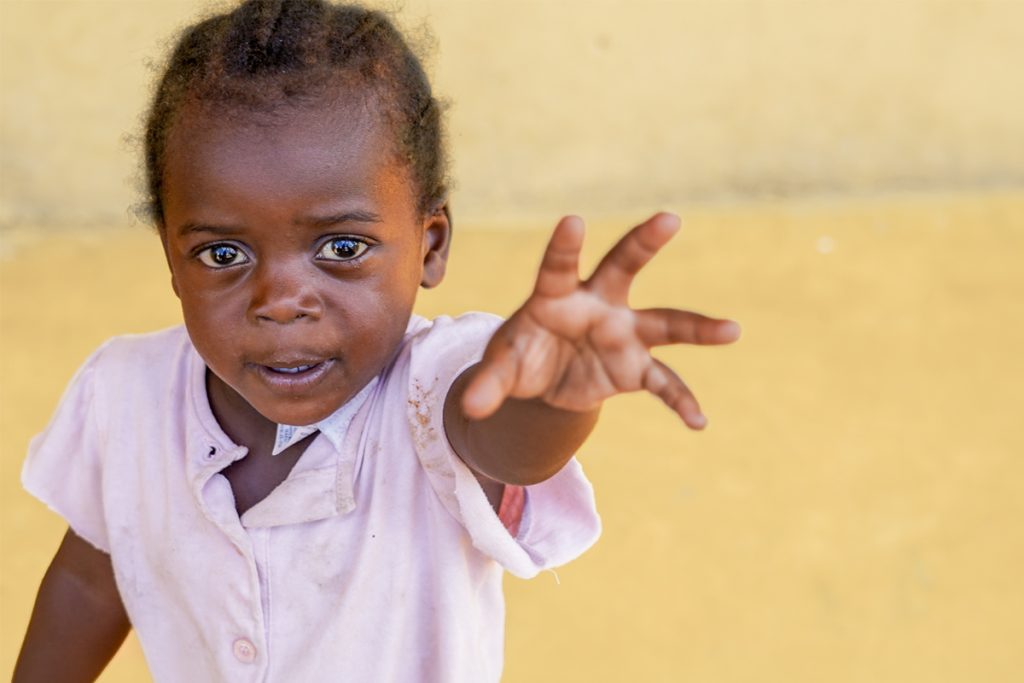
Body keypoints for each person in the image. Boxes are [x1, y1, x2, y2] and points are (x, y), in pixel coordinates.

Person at [14, 1, 740, 681]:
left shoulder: (432, 391)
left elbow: (497, 434)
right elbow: (90, 576)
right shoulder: (124, 396)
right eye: (224, 255)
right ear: (172, 259)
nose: (281, 302)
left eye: (341, 246)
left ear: (430, 245)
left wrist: (553, 394)